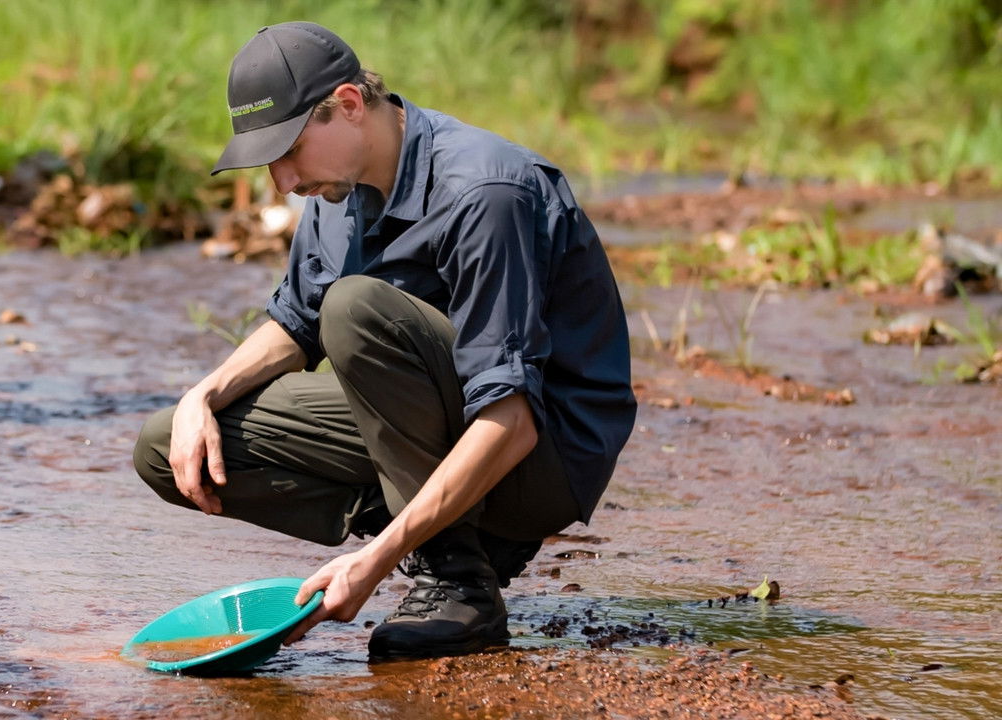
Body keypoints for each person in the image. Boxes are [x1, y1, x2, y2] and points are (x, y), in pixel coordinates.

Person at [133, 21, 636, 659]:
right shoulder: (333, 190)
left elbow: (512, 418)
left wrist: (375, 557)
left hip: (542, 456)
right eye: (268, 164)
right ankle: (461, 541)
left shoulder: (485, 193)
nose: (282, 183)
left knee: (356, 308)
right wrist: (201, 396)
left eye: (288, 152)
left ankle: (457, 580)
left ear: (347, 105)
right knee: (168, 451)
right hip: (446, 421)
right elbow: (295, 323)